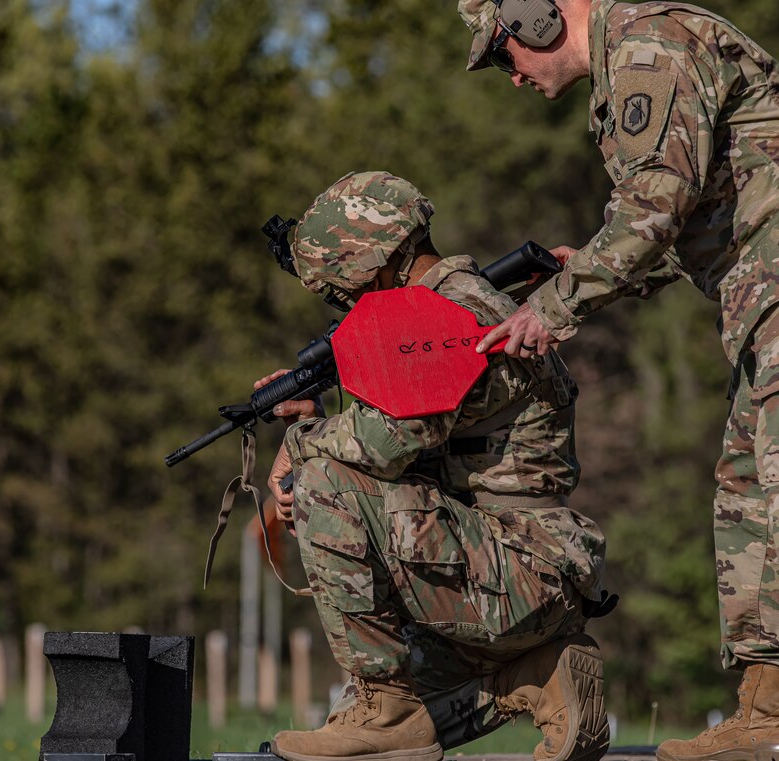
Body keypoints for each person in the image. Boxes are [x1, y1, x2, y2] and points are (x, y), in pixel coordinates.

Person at [457, 1, 779, 760]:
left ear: (535, 18)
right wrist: (592, 270)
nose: (513, 77)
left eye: (503, 55)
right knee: (750, 490)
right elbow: (677, 211)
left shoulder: (650, 44)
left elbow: (656, 201)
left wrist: (555, 306)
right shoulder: (635, 56)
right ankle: (771, 702)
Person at [262, 169, 612, 761]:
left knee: (321, 483)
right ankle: (533, 675)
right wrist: (317, 417)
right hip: (520, 572)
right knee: (413, 717)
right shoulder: (466, 303)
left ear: (371, 265)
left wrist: (300, 439)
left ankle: (387, 708)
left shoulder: (445, 321)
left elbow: (381, 447)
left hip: (512, 571)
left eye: (339, 288)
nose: (343, 304)